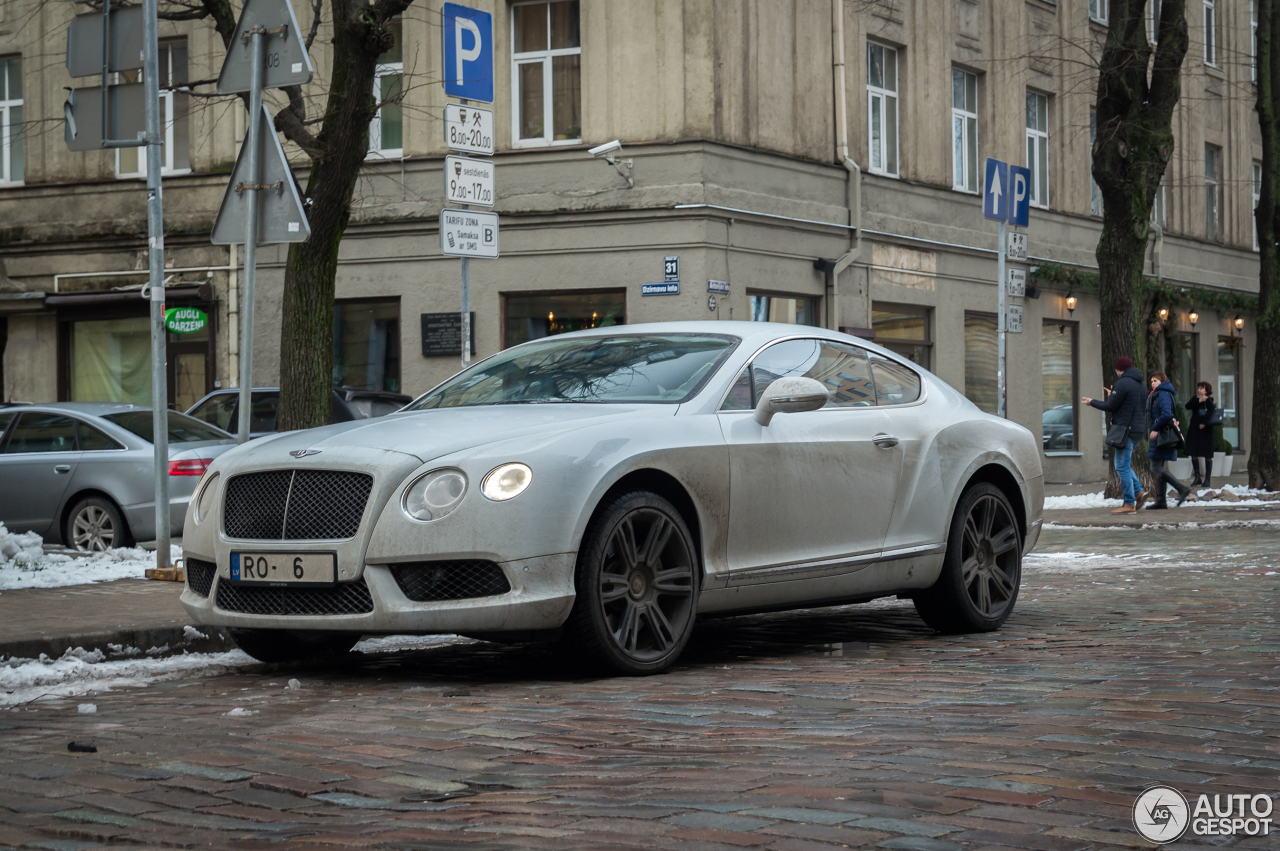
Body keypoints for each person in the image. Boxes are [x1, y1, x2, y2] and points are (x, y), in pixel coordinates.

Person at [1083, 357, 1148, 514]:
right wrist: (1115, 395)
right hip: (1139, 430)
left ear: (1120, 369)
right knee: (1123, 464)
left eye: (1117, 370)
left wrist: (1092, 402)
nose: (1116, 373)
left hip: (1126, 430)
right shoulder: (1142, 384)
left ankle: (1129, 503)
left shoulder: (1123, 383)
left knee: (1121, 465)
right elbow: (1131, 405)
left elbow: (1110, 406)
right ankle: (1139, 491)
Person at [1146, 372, 1194, 509]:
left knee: (1155, 467)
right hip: (1161, 436)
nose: (1153, 383)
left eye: (1156, 380)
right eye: (1152, 381)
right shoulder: (1158, 394)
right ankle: (1161, 501)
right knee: (1159, 467)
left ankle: (1182, 489)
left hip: (1162, 435)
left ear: (1163, 381)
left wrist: (1154, 428)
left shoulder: (1163, 394)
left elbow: (1166, 414)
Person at [1185, 381, 1216, 487]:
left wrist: (1204, 423)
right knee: (1193, 452)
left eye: (1202, 388)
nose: (1199, 390)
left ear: (1207, 390)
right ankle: (1197, 477)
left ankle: (1207, 479)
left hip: (1206, 431)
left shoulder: (1209, 400)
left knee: (1207, 453)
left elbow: (1211, 411)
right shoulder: (1195, 399)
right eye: (1198, 388)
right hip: (1194, 429)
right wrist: (1199, 401)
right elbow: (1187, 406)